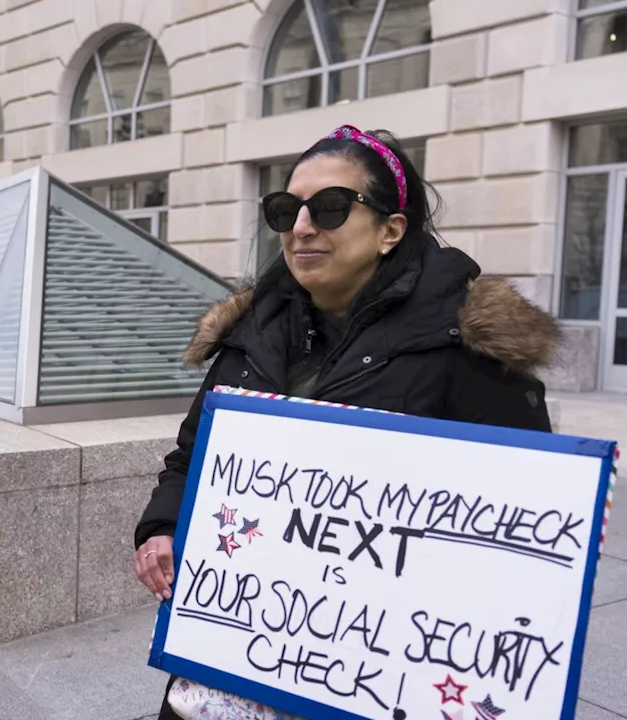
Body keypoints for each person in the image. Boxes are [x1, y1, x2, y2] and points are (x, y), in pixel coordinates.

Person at [133, 126, 559, 719]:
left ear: (391, 229)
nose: (301, 227)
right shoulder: (250, 335)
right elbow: (192, 455)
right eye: (286, 210)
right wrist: (163, 524)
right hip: (239, 647)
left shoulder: (467, 346)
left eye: (331, 207)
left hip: (380, 673)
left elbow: (519, 529)